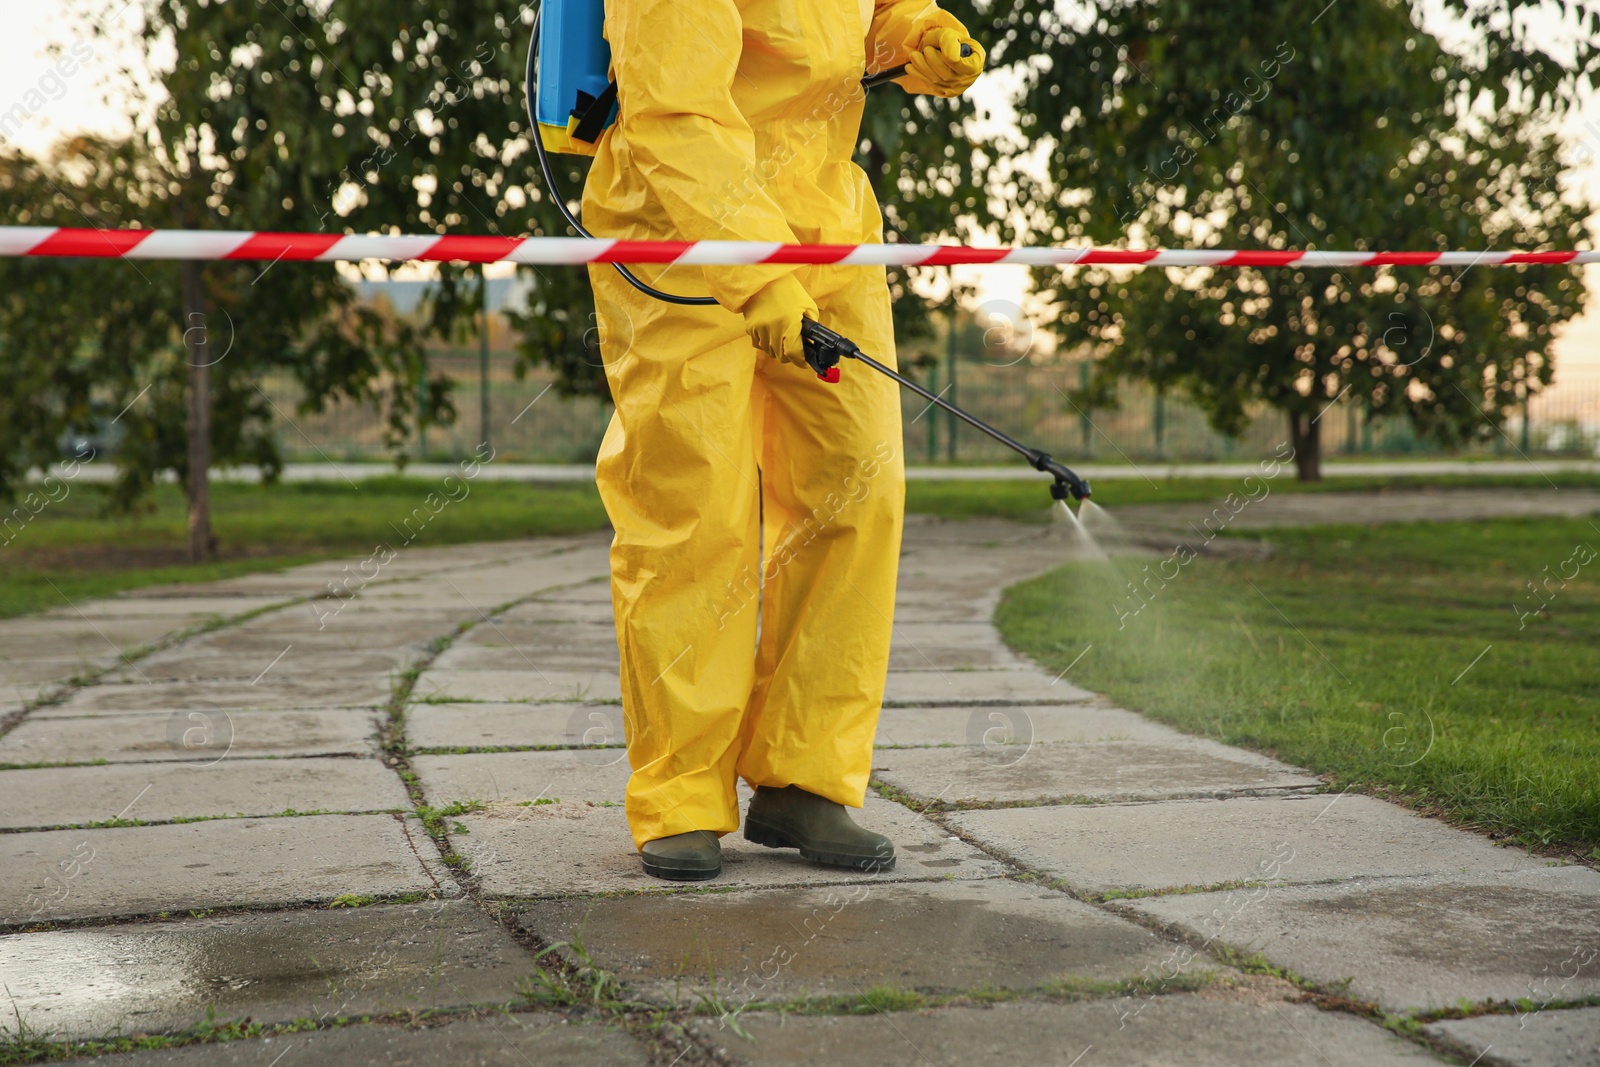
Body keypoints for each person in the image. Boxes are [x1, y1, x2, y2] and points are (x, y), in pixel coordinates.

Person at [582, 0, 985, 881]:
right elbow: (676, 111)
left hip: (825, 221)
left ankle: (804, 778)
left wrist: (915, 35)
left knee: (859, 490)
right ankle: (681, 793)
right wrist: (757, 276)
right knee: (693, 513)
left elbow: (854, 22)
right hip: (678, 230)